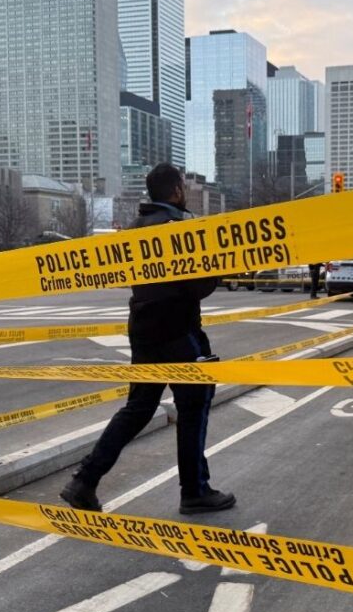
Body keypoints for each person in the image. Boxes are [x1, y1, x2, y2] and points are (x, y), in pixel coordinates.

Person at [61, 163, 233, 515]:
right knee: (193, 408)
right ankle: (195, 490)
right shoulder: (182, 227)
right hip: (180, 330)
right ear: (176, 191)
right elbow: (198, 285)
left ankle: (84, 480)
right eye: (182, 185)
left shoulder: (135, 230)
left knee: (138, 409)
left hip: (143, 329)